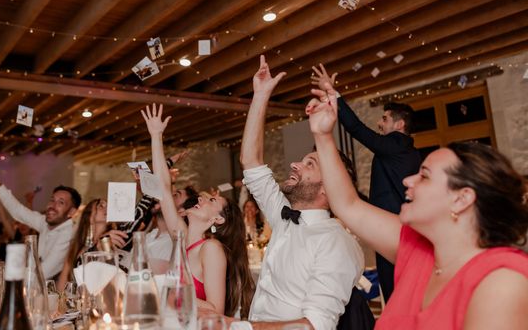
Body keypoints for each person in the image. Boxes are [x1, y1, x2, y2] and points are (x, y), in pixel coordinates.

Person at [307, 81, 528, 329]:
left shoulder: (500, 281)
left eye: (424, 175)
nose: (408, 180)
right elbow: (347, 204)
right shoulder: (415, 251)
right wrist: (322, 136)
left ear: (461, 198)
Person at [231, 55, 364, 330]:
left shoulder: (335, 242)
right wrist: (260, 96)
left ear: (329, 188)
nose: (295, 164)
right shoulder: (283, 217)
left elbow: (314, 326)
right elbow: (251, 162)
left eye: (309, 164)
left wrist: (236, 327)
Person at [312, 64, 420, 300]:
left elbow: (357, 129)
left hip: (391, 229)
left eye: (385, 118)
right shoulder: (401, 151)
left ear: (399, 125)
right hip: (393, 226)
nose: (380, 124)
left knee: (396, 291)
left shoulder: (397, 144)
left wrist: (333, 95)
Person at [142, 104, 254, 317]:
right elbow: (164, 188)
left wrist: (169, 291)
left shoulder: (211, 249)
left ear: (217, 220)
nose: (202, 198)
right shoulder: (182, 238)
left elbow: (215, 309)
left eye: (212, 200)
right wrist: (156, 136)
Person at [0, 157, 81, 280]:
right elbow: (18, 211)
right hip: (35, 285)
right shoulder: (45, 223)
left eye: (61, 203)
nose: (52, 206)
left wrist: (7, 278)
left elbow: (43, 272)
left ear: (72, 212)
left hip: (55, 293)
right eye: (52, 200)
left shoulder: (69, 234)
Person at [56, 199, 127, 291]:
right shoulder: (76, 249)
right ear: (89, 217)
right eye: (101, 205)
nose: (108, 208)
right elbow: (61, 286)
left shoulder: (117, 239)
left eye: (109, 205)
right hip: (81, 301)